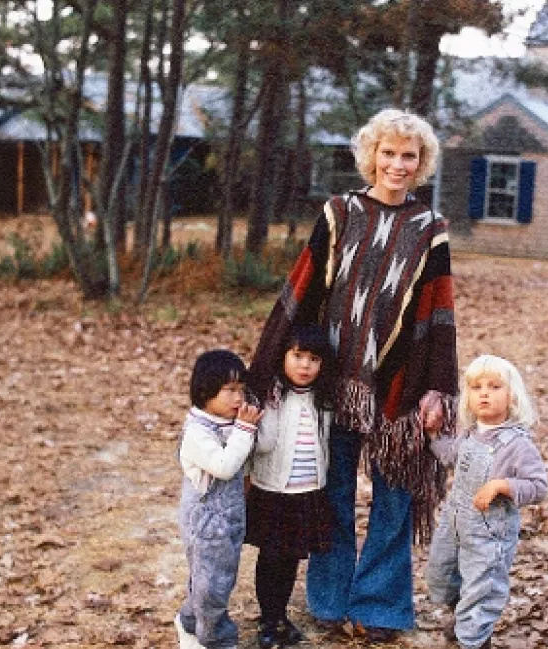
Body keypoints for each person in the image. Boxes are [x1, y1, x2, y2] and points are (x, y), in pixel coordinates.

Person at [249, 108, 458, 643]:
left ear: (422, 162)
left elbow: (439, 313)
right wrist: (266, 371)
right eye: (388, 153)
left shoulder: (430, 229)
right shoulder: (340, 213)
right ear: (370, 155)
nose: (397, 164)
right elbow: (303, 290)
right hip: (333, 382)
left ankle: (380, 606)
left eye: (408, 155)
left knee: (395, 499)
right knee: (332, 492)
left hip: (402, 384)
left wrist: (438, 388)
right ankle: (330, 598)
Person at [425, 355, 548, 649]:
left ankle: (475, 637)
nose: (484, 394)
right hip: (455, 524)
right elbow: (451, 456)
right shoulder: (469, 434)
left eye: (494, 387)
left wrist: (502, 485)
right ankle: (463, 616)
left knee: (482, 586)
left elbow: (538, 486)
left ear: (512, 396)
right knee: (441, 574)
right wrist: (433, 436)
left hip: (489, 533)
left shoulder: (517, 444)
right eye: (476, 387)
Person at [245, 325, 336, 649]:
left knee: (291, 558)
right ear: (283, 356)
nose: (305, 365)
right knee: (271, 557)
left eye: (314, 359)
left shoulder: (324, 400)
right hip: (273, 491)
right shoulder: (270, 396)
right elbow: (261, 444)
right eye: (297, 356)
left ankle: (281, 615)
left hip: (307, 491)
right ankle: (268, 620)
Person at [175, 350, 262, 649]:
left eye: (242, 390)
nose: (239, 398)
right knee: (212, 586)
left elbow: (246, 460)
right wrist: (245, 430)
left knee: (214, 580)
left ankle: (189, 623)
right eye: (230, 390)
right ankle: (216, 640)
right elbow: (224, 467)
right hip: (206, 522)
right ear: (205, 391)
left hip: (230, 517)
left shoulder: (230, 424)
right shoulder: (197, 432)